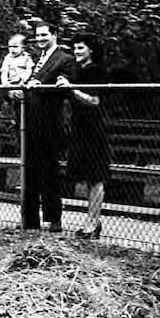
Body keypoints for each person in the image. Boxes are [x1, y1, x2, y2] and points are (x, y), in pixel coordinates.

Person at [20, 21, 77, 232]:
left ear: (54, 35)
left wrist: (40, 87)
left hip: (50, 124)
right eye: (37, 36)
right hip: (31, 123)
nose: (40, 39)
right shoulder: (37, 60)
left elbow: (63, 90)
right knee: (30, 170)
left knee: (50, 172)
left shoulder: (65, 59)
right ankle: (30, 220)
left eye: (44, 35)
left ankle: (53, 219)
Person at [57, 34, 110, 239]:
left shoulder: (97, 72)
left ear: (91, 50)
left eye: (81, 48)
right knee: (87, 178)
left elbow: (94, 100)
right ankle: (91, 221)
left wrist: (71, 89)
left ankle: (92, 223)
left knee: (96, 177)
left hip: (94, 129)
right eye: (75, 48)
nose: (77, 51)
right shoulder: (78, 71)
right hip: (78, 128)